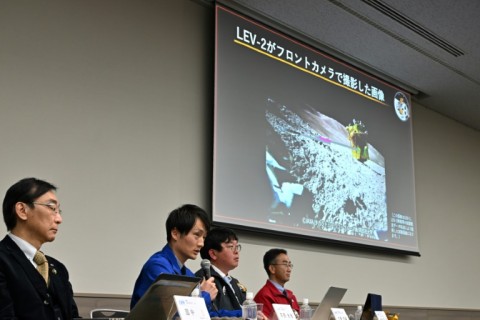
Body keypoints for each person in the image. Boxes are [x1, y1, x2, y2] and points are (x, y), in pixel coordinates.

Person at [0, 177, 79, 319]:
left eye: (59, 210)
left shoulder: (58, 269)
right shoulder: (2, 260)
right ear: (22, 210)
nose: (59, 219)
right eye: (52, 208)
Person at [130, 204, 218, 312]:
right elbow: (174, 312)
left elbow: (209, 314)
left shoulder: (188, 274)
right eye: (196, 235)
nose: (201, 243)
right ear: (175, 234)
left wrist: (242, 312)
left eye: (203, 237)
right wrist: (206, 295)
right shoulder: (157, 266)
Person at [195, 227, 247, 317]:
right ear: (213, 254)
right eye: (231, 247)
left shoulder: (234, 282)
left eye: (237, 247)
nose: (236, 252)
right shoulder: (203, 280)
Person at [254, 248, 300, 319]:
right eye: (285, 264)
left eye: (289, 265)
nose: (289, 269)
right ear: (272, 269)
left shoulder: (291, 296)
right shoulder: (264, 296)